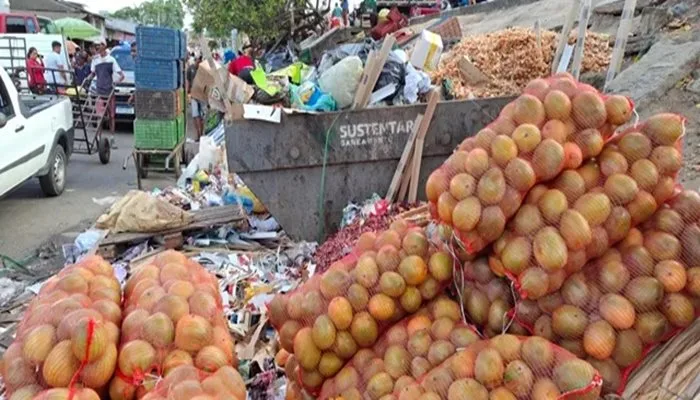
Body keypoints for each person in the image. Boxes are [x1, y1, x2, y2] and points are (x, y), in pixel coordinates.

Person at [87, 38, 125, 136]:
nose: (97, 47)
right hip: (99, 90)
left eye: (99, 45)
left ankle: (112, 137)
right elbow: (92, 73)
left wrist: (115, 82)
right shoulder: (95, 60)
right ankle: (99, 137)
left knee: (112, 116)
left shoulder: (111, 60)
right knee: (99, 116)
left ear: (104, 46)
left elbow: (122, 75)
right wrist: (88, 78)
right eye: (96, 46)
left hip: (109, 91)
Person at [186, 54, 206, 142]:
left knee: (201, 116)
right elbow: (187, 81)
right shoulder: (191, 69)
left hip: (202, 96)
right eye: (198, 60)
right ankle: (199, 135)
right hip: (194, 95)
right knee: (195, 115)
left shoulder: (204, 70)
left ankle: (201, 135)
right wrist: (187, 93)